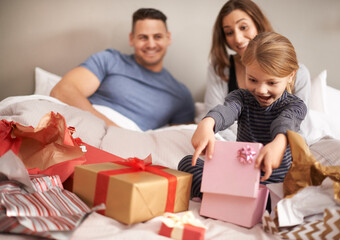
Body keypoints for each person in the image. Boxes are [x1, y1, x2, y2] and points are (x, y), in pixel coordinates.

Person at [178, 32, 307, 200]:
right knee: (187, 163)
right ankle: (227, 196)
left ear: (290, 76)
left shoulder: (295, 105)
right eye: (253, 80)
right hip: (240, 177)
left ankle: (225, 197)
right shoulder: (241, 97)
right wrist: (207, 123)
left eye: (271, 82)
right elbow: (227, 111)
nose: (261, 90)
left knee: (294, 193)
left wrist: (279, 142)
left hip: (274, 184)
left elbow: (285, 123)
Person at [50, 8, 195, 131]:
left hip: (125, 146)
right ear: (132, 39)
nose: (151, 44)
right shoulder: (109, 60)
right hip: (83, 126)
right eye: (143, 37)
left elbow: (183, 141)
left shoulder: (180, 95)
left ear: (168, 38)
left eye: (157, 37)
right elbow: (62, 91)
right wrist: (111, 129)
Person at [204, 0, 310, 140]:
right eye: (229, 32)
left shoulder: (297, 89)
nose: (238, 38)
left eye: (243, 27)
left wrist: (276, 144)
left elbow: (293, 124)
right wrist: (209, 122)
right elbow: (223, 112)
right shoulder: (235, 90)